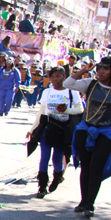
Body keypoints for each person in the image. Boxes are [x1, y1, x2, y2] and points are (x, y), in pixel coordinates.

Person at [64, 57, 111, 219]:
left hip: (105, 133)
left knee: (96, 167)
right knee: (85, 166)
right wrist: (84, 70)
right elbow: (68, 83)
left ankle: (90, 204)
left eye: (106, 68)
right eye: (99, 67)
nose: (101, 71)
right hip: (85, 130)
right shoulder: (90, 83)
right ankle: (83, 201)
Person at [27, 66, 84, 198]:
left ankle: (58, 176)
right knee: (44, 157)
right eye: (52, 77)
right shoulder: (47, 92)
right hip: (48, 127)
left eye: (58, 76)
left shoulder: (72, 92)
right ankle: (42, 185)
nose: (55, 79)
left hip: (63, 129)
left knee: (57, 159)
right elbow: (41, 111)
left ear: (64, 77)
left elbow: (80, 109)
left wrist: (67, 110)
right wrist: (32, 129)